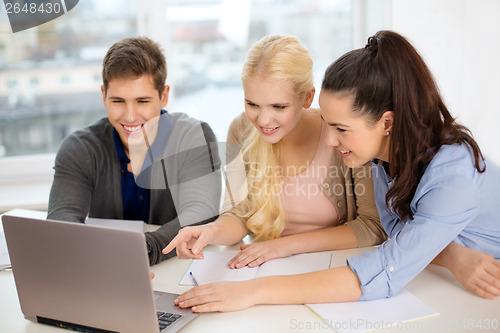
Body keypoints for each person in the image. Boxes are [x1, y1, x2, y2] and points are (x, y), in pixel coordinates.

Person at [171, 30, 500, 312]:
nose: (329, 140)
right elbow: (402, 237)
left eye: (340, 129)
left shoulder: (450, 177)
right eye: (327, 125)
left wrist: (253, 291)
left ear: (386, 122)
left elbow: (379, 270)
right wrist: (453, 256)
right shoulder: (382, 159)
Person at [163, 34, 385, 270]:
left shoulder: (341, 132)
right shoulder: (240, 129)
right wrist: (209, 231)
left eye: (279, 107)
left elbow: (372, 226)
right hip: (267, 267)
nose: (264, 120)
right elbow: (238, 214)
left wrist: (284, 246)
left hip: (336, 268)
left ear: (308, 97)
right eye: (252, 104)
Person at [47, 36, 221, 265]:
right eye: (118, 101)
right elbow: (62, 220)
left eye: (142, 101)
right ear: (104, 96)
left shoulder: (194, 137)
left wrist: (142, 252)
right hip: (102, 267)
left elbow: (201, 211)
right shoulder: (80, 148)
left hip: (176, 265)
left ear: (164, 96)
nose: (130, 116)